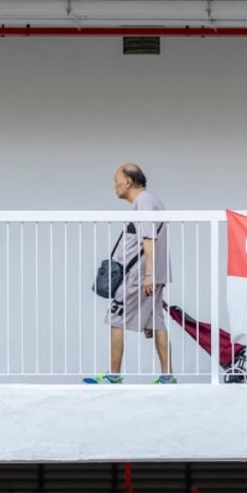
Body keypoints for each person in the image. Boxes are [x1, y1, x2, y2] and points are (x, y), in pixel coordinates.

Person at [84, 164, 174, 384]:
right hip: (152, 273)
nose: (114, 186)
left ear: (129, 181)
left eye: (117, 180)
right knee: (156, 322)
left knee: (116, 318)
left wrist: (148, 274)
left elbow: (148, 238)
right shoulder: (152, 201)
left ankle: (113, 376)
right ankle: (167, 376)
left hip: (139, 274)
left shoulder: (143, 201)